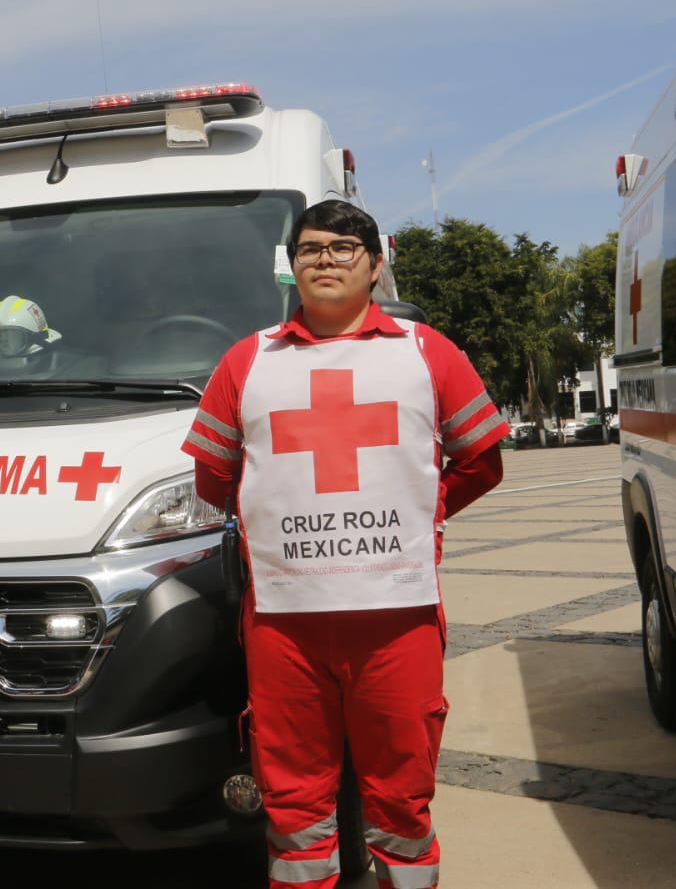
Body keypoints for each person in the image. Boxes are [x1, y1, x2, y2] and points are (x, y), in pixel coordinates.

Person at [183, 200, 507, 889]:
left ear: (374, 263)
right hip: (283, 624)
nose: (323, 260)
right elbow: (213, 476)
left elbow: (481, 458)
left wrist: (424, 511)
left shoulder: (427, 352)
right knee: (293, 803)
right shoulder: (247, 360)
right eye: (308, 249)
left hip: (397, 616)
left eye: (341, 247)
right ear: (291, 266)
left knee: (402, 797)